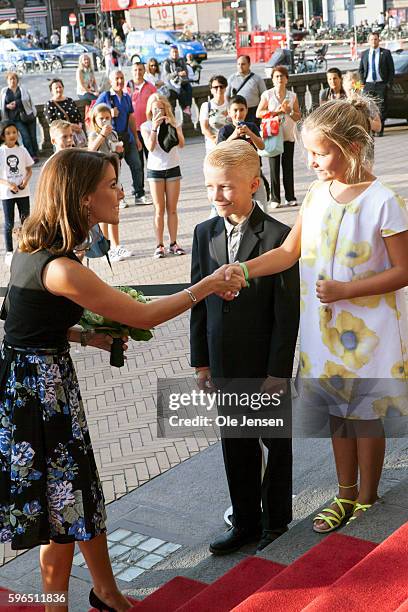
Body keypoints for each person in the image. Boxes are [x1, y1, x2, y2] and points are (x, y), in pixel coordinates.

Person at [0, 147, 243, 612]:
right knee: (64, 505)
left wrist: (85, 337)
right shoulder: (63, 268)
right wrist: (206, 286)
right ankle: (58, 605)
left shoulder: (34, 250)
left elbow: (20, 320)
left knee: (78, 497)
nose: (120, 190)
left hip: (34, 387)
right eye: (111, 184)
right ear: (84, 198)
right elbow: (144, 313)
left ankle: (105, 594)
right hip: (41, 401)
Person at [224, 97, 408, 533]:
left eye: (319, 152)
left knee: (365, 413)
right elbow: (289, 252)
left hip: (368, 334)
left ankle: (367, 496)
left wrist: (347, 289)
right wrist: (245, 269)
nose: (309, 162)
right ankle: (344, 493)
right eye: (307, 152)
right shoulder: (315, 194)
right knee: (337, 414)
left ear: (352, 146)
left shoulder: (384, 201)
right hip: (323, 332)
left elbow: (403, 270)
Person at [191, 140, 299, 554]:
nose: (216, 196)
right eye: (209, 187)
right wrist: (201, 362)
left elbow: (286, 314)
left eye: (226, 187)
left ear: (253, 184)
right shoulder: (204, 233)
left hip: (263, 362)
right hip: (223, 361)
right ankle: (246, 522)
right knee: (235, 443)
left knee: (274, 442)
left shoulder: (278, 237)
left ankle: (276, 521)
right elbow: (197, 300)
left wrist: (277, 372)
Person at [95, 69, 151, 205]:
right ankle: (118, 197)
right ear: (111, 81)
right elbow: (94, 114)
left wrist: (137, 138)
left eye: (121, 78)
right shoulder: (105, 96)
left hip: (128, 137)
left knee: (137, 165)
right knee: (114, 170)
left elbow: (131, 118)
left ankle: (139, 194)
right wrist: (109, 112)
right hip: (112, 139)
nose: (119, 81)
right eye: (116, 79)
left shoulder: (126, 97)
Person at [141, 93, 185, 259]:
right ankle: (159, 245)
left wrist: (172, 126)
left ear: (166, 108)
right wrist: (154, 127)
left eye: (161, 108)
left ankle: (173, 242)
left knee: (172, 209)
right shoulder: (146, 126)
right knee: (159, 209)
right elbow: (150, 147)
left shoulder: (174, 122)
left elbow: (181, 144)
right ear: (150, 111)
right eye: (155, 109)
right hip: (155, 170)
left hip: (173, 167)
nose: (158, 111)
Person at [88, 103, 133, 263]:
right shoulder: (94, 135)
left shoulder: (113, 133)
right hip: (101, 182)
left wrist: (119, 152)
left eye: (108, 118)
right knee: (104, 215)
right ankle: (107, 247)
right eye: (102, 119)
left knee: (114, 213)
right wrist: (102, 135)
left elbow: (115, 154)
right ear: (95, 120)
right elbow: (90, 151)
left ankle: (116, 245)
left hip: (115, 178)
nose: (105, 121)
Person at [256, 65, 301, 208]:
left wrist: (289, 112)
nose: (279, 79)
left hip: (288, 134)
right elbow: (259, 113)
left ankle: (290, 196)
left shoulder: (292, 96)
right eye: (276, 76)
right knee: (274, 166)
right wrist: (276, 111)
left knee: (288, 166)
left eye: (282, 76)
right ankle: (275, 198)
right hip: (273, 134)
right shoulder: (267, 95)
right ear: (273, 80)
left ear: (287, 79)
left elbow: (298, 116)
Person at [217, 95, 268, 212]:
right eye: (235, 110)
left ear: (246, 110)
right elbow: (219, 150)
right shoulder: (225, 130)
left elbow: (262, 146)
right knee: (237, 206)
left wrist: (250, 133)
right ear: (229, 112)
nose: (238, 113)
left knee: (262, 204)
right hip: (234, 175)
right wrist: (234, 136)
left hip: (254, 172)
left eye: (241, 110)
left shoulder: (251, 127)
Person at [0, 120, 33, 266]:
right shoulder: (1, 152)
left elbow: (29, 169)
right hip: (7, 194)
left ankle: (27, 246)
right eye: (8, 133)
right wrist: (8, 184)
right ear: (3, 136)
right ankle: (9, 251)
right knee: (9, 223)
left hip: (23, 192)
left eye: (14, 132)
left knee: (26, 220)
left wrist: (25, 181)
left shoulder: (22, 150)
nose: (12, 135)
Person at [359, 31, 395, 137]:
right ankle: (371, 129)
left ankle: (380, 129)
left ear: (379, 40)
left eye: (375, 39)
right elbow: (361, 69)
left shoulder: (386, 53)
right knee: (367, 107)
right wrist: (362, 83)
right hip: (368, 84)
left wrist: (388, 84)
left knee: (381, 107)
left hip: (381, 84)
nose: (374, 41)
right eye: (371, 39)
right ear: (368, 41)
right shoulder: (364, 54)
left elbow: (391, 70)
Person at [0, 72, 39, 161]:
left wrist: (16, 103)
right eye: (10, 79)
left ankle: (36, 153)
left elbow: (27, 100)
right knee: (26, 137)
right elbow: (2, 105)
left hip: (28, 115)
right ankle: (30, 155)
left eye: (14, 78)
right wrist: (7, 106)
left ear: (17, 80)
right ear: (7, 81)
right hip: (16, 118)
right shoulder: (4, 91)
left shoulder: (22, 89)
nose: (13, 81)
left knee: (33, 136)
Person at [126, 62, 157, 174]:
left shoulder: (151, 87)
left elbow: (157, 105)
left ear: (144, 71)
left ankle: (155, 183)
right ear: (131, 72)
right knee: (138, 163)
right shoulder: (126, 88)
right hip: (133, 129)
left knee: (152, 158)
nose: (138, 72)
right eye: (135, 70)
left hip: (148, 128)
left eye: (140, 69)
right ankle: (139, 189)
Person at [44, 79, 85, 146]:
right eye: (56, 88)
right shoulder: (50, 104)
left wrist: (79, 127)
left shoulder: (69, 100)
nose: (59, 89)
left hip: (76, 134)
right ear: (51, 91)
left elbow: (78, 115)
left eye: (60, 87)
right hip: (62, 138)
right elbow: (52, 124)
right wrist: (70, 126)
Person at [226, 55, 266, 124]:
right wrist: (229, 111)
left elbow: (264, 96)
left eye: (243, 64)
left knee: (253, 132)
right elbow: (226, 96)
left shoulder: (257, 79)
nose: (240, 66)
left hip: (253, 112)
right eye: (238, 64)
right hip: (237, 112)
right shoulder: (232, 78)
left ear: (249, 64)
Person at [199, 75, 229, 153]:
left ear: (225, 88)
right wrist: (216, 140)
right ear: (211, 90)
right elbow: (204, 129)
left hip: (230, 145)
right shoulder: (206, 106)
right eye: (215, 87)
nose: (219, 89)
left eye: (221, 87)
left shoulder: (231, 104)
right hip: (213, 146)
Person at [162, 45, 193, 114]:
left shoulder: (181, 60)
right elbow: (166, 76)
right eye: (173, 52)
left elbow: (186, 71)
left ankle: (188, 107)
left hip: (182, 81)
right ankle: (184, 108)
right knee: (180, 91)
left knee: (189, 88)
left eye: (176, 52)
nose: (175, 54)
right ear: (170, 53)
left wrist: (184, 73)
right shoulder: (166, 62)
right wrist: (177, 73)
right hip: (172, 83)